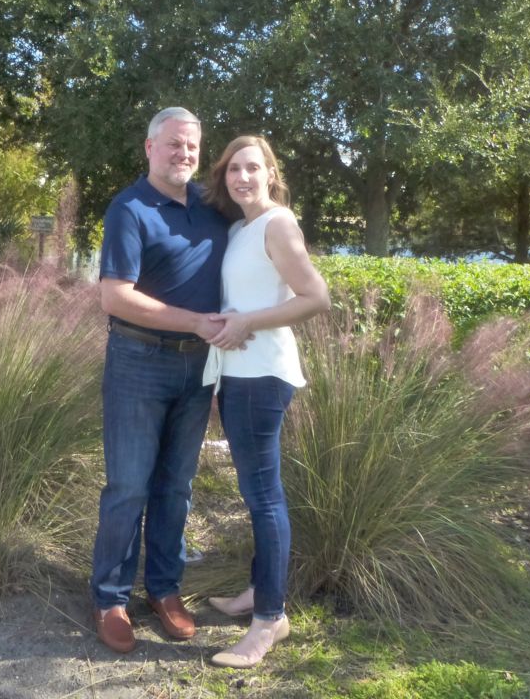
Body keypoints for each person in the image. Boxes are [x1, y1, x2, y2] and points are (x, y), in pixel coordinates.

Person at [90, 107, 249, 654]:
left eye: (192, 146)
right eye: (174, 144)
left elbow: (261, 222)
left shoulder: (213, 207)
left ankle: (163, 589)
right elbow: (115, 297)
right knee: (129, 486)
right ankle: (110, 598)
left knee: (176, 485)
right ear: (150, 147)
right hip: (138, 360)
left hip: (198, 367)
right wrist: (196, 322)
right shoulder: (129, 208)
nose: (184, 153)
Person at [202, 135, 331, 668]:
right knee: (255, 492)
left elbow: (316, 297)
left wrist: (247, 323)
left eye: (253, 168)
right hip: (237, 374)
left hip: (263, 376)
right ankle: (260, 590)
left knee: (264, 497)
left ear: (271, 174)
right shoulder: (240, 228)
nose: (243, 178)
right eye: (234, 169)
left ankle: (269, 620)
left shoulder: (278, 223)